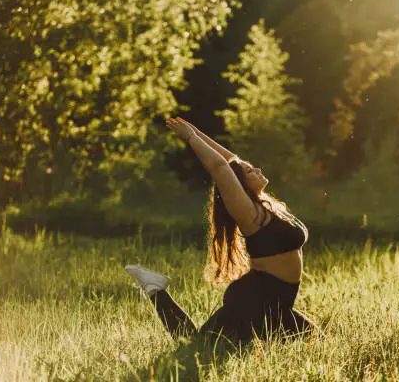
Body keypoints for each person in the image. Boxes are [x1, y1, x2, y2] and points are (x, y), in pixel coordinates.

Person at [125, 117, 319, 345]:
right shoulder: (248, 212)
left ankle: (155, 289)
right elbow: (221, 168)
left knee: (316, 344)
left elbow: (231, 161)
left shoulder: (267, 204)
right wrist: (190, 138)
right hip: (254, 301)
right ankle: (155, 289)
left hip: (278, 303)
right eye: (249, 170)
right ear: (241, 185)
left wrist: (195, 131)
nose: (256, 168)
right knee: (196, 345)